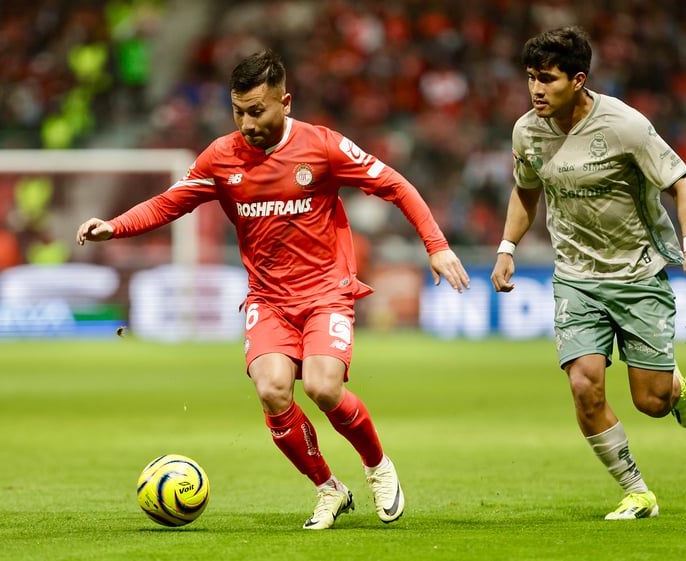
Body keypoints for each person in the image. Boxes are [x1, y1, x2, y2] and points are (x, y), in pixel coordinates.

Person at [77, 48, 470, 530]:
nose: (246, 123)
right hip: (269, 298)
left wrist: (436, 245)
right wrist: (113, 226)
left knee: (323, 387)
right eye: (238, 111)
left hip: (326, 291)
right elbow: (168, 204)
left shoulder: (322, 147)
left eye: (257, 110)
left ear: (285, 102)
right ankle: (329, 488)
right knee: (272, 389)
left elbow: (395, 184)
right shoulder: (221, 158)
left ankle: (377, 467)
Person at [490, 27, 686, 520]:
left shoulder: (625, 126)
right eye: (530, 78)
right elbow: (525, 189)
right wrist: (508, 246)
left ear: (578, 80)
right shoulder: (526, 130)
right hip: (575, 277)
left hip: (637, 274)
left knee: (651, 403)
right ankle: (637, 491)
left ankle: (672, 386)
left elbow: (681, 184)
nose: (536, 90)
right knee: (584, 386)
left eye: (547, 79)